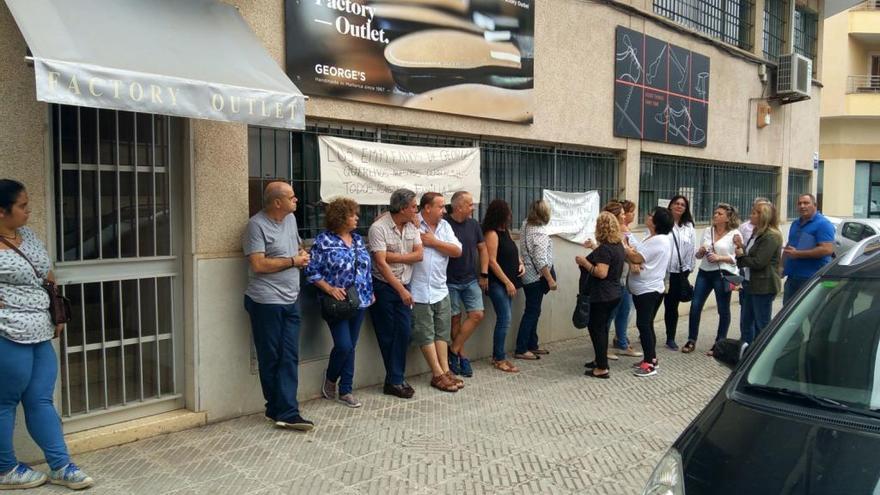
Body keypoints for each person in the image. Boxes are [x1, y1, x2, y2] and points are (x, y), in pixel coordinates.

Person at [0, 180, 95, 490]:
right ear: (2, 211)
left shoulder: (26, 234)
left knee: (41, 398)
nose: (29, 211)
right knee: (5, 402)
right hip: (7, 332)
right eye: (22, 206)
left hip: (40, 329)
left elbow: (45, 271)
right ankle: (5, 468)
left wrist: (56, 309)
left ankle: (61, 465)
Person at [243, 182, 313, 430]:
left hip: (291, 299)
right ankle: (280, 409)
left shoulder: (291, 220)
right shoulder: (256, 225)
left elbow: (297, 247)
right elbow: (258, 265)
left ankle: (283, 410)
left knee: (289, 355)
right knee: (271, 357)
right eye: (292, 197)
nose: (297, 200)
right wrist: (294, 261)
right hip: (266, 302)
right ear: (277, 202)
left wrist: (301, 256)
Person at [306, 197, 373, 408]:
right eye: (352, 214)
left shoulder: (358, 240)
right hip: (336, 301)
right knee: (343, 345)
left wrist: (369, 291)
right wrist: (330, 289)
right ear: (341, 217)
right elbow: (311, 270)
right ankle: (331, 378)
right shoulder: (323, 241)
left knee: (351, 346)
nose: (356, 218)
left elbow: (365, 267)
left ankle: (346, 390)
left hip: (359, 299)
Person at [369, 189, 423, 399]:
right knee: (387, 334)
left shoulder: (412, 226)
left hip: (404, 285)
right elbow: (381, 263)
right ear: (402, 208)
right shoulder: (378, 228)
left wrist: (394, 257)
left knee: (405, 332)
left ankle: (394, 378)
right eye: (413, 207)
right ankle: (396, 380)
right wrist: (400, 289)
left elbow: (419, 255)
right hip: (384, 286)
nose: (416, 210)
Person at [410, 193, 463, 393]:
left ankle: (445, 370)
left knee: (442, 330)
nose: (444, 210)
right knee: (425, 332)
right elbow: (384, 219)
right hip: (419, 289)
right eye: (440, 206)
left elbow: (457, 250)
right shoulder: (413, 224)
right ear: (427, 208)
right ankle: (436, 374)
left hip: (441, 288)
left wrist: (433, 242)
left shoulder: (445, 227)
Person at [682, 203, 742, 355]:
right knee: (695, 306)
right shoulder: (708, 231)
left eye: (720, 214)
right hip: (705, 271)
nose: (715, 215)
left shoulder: (735, 234)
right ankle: (691, 339)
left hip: (724, 274)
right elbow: (698, 255)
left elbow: (738, 258)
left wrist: (719, 257)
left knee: (723, 309)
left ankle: (719, 342)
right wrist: (701, 251)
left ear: (728, 218)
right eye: (715, 213)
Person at [625, 207, 674, 377]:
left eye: (651, 215)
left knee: (644, 325)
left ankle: (649, 364)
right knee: (647, 324)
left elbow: (637, 257)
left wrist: (622, 246)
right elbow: (638, 251)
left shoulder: (659, 240)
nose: (648, 216)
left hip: (648, 289)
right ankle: (651, 358)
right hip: (644, 288)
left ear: (657, 222)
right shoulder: (652, 237)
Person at [577, 212, 626, 379]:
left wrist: (584, 263)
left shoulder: (605, 248)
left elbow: (601, 272)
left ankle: (602, 367)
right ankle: (599, 359)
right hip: (614, 293)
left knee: (597, 329)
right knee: (602, 328)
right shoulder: (618, 245)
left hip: (602, 295)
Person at [445, 191, 488, 378]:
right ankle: (461, 356)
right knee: (455, 318)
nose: (473, 207)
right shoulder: (444, 223)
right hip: (449, 280)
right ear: (459, 206)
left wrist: (484, 273)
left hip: (471, 279)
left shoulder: (474, 224)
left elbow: (483, 248)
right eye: (470, 204)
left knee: (477, 314)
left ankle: (453, 350)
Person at [482, 199, 524, 373]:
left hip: (509, 282)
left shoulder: (504, 231)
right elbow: (491, 261)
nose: (510, 215)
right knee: (504, 319)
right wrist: (507, 282)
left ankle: (498, 355)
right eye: (508, 212)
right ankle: (499, 357)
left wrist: (520, 263)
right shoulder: (492, 234)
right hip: (498, 283)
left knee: (505, 319)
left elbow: (512, 252)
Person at [734, 202, 782, 344]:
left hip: (763, 286)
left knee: (762, 324)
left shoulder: (771, 236)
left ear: (763, 216)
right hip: (750, 283)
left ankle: (762, 355)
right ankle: (746, 352)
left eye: (754, 213)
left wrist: (741, 256)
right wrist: (741, 246)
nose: (751, 216)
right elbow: (752, 254)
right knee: (746, 322)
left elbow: (759, 262)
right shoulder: (757, 233)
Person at [516, 200, 556, 360]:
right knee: (532, 312)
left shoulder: (526, 224)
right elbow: (540, 260)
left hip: (527, 275)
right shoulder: (539, 233)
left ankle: (532, 344)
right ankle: (521, 348)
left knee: (534, 310)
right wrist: (550, 279)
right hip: (536, 277)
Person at [782, 193, 835, 306]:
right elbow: (789, 246)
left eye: (806, 203)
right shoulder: (795, 223)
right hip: (793, 277)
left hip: (812, 278)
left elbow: (827, 250)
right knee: (788, 317)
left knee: (812, 317)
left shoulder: (823, 224)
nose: (802, 206)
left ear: (815, 205)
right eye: (799, 203)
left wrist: (798, 254)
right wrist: (781, 266)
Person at [609, 199, 642, 358]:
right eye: (622, 214)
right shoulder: (611, 234)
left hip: (624, 278)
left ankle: (622, 343)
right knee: (611, 313)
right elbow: (628, 253)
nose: (625, 216)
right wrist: (632, 253)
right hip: (615, 279)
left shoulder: (623, 233)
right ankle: (604, 348)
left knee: (625, 310)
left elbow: (632, 251)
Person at [663, 195, 696, 351]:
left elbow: (691, 249)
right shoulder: (664, 223)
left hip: (679, 272)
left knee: (672, 306)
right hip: (662, 271)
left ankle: (670, 338)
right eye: (676, 203)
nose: (679, 206)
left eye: (683, 204)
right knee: (654, 304)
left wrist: (688, 269)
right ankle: (646, 334)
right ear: (670, 206)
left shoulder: (689, 226)